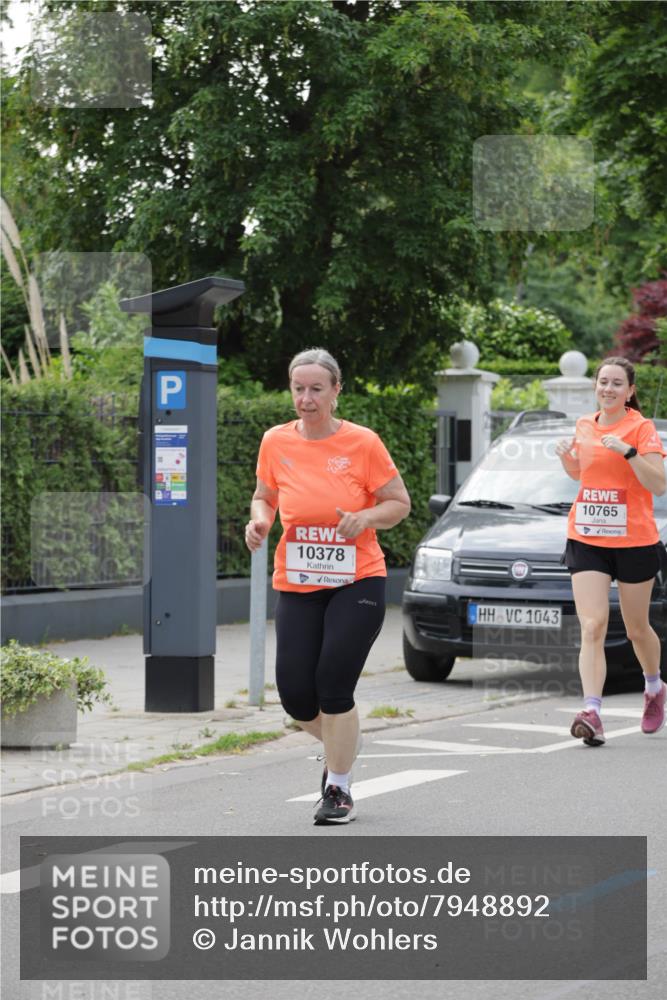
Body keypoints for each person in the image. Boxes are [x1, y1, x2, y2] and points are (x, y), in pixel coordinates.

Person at [244, 348, 411, 823]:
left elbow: (399, 502)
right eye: (299, 388)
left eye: (317, 388)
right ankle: (345, 742)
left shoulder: (363, 443)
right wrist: (259, 522)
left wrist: (365, 516)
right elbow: (264, 496)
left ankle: (338, 788)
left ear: (337, 391)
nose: (306, 398)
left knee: (334, 683)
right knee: (296, 695)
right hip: (297, 581)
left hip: (357, 579)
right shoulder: (275, 441)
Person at [556, 357, 667, 745]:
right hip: (587, 536)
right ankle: (592, 711)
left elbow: (659, 486)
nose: (608, 389)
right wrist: (568, 460)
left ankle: (654, 688)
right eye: (603, 382)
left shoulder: (642, 428)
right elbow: (582, 475)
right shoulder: (584, 425)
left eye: (617, 383)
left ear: (630, 391)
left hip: (634, 541)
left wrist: (629, 453)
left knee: (637, 629)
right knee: (592, 625)